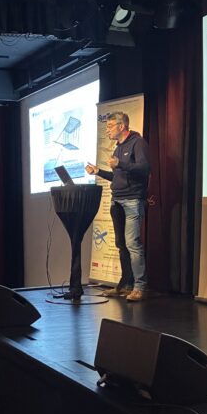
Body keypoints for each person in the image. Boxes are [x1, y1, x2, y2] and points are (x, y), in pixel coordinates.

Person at [85, 111, 150, 301]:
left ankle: (139, 286)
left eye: (110, 126)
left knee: (132, 244)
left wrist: (121, 163)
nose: (107, 130)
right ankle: (126, 284)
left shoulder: (138, 143)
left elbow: (145, 169)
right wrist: (98, 171)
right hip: (117, 201)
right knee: (121, 244)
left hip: (132, 200)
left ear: (121, 126)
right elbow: (117, 177)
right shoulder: (118, 148)